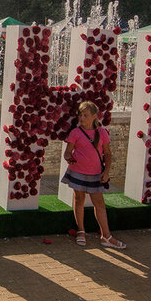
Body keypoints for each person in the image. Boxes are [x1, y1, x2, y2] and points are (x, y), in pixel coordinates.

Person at [61, 101, 125, 249]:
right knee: (79, 200)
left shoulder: (101, 133)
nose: (81, 118)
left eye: (85, 115)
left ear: (94, 116)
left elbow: (108, 154)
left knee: (99, 203)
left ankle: (106, 236)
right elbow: (67, 152)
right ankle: (81, 231)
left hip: (96, 174)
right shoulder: (75, 132)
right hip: (78, 172)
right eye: (80, 115)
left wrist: (106, 172)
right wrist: (68, 157)